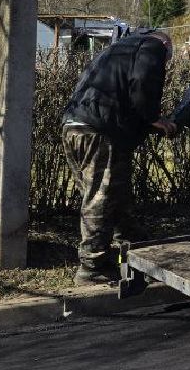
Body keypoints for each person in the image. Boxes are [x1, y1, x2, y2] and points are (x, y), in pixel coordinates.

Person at [61, 27, 178, 284]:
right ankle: (92, 267)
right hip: (99, 130)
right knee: (100, 198)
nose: (166, 62)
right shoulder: (152, 46)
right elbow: (143, 80)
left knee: (113, 190)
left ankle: (133, 242)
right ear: (166, 44)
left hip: (73, 126)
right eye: (168, 58)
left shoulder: (115, 50)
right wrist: (153, 118)